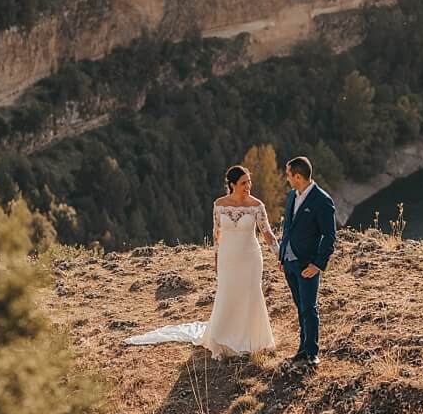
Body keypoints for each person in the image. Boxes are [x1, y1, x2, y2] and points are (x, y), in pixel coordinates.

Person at [124, 163, 277, 357]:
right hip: (227, 258)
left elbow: (268, 234)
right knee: (227, 294)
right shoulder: (219, 205)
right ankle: (223, 339)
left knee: (250, 293)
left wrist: (280, 255)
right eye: (243, 183)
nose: (248, 186)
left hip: (251, 257)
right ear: (232, 184)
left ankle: (252, 340)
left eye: (249, 182)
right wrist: (216, 260)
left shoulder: (257, 206)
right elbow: (217, 235)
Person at [277, 155, 336, 367]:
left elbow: (330, 236)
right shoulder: (293, 196)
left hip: (307, 265)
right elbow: (288, 228)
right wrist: (282, 255)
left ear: (299, 176)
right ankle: (302, 350)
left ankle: (311, 353)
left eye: (289, 175)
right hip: (289, 262)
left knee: (309, 308)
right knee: (299, 306)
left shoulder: (322, 200)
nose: (287, 179)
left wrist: (318, 264)